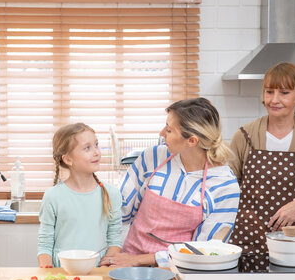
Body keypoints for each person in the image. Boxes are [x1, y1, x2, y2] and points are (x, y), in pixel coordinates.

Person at [101, 98, 241, 267]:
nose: (161, 134)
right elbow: (120, 212)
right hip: (125, 260)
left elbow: (204, 251)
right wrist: (114, 253)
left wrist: (139, 260)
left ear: (192, 141)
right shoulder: (152, 158)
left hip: (177, 271)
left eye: (169, 130)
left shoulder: (224, 185)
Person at [228, 62, 295, 254]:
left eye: (284, 93)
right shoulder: (244, 136)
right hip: (247, 238)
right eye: (269, 91)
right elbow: (226, 190)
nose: (274, 100)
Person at [37, 123, 122, 268]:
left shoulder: (111, 194)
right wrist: (46, 267)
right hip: (62, 272)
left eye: (96, 145)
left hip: (97, 270)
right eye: (87, 148)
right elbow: (45, 243)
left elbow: (115, 240)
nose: (96, 152)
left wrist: (105, 266)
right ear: (68, 159)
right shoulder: (53, 196)